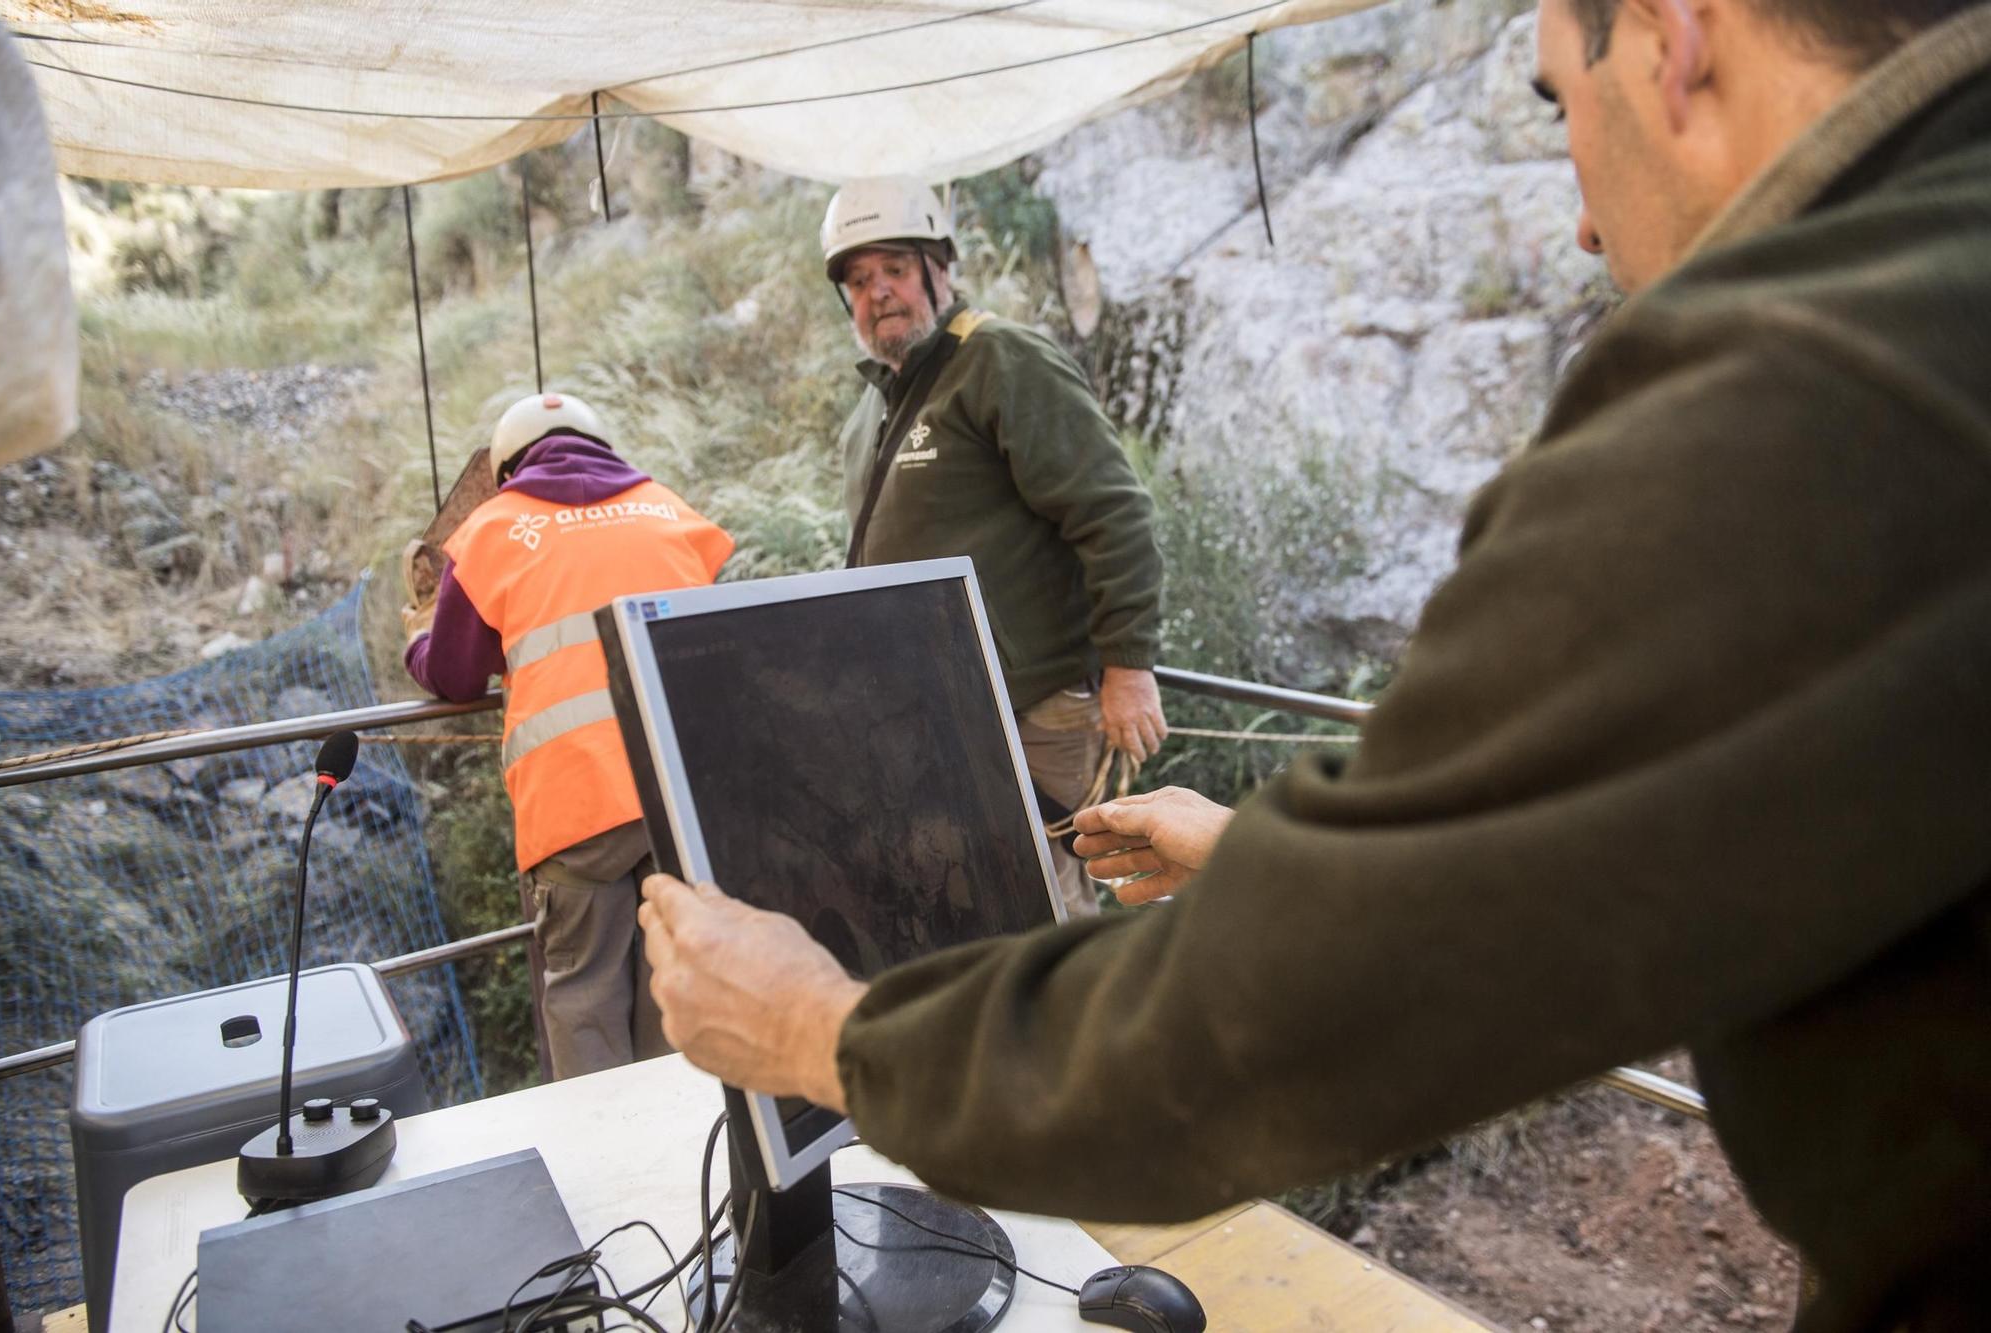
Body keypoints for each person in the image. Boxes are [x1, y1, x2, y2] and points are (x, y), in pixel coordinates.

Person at [637, 2, 1991, 1330]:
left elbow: (1278, 1026)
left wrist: (822, 1033)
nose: (1583, 222)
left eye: (1556, 107)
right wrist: (1252, 851)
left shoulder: (1807, 392)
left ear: (1673, 34)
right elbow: (1570, 882)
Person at [822, 176, 1168, 916]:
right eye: (857, 279)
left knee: (1044, 902)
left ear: (938, 270)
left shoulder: (1001, 361)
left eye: (893, 269)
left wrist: (1128, 665)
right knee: (966, 909)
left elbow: (1113, 511)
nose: (877, 291)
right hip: (926, 714)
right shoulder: (870, 413)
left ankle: (1086, 1030)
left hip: (1030, 710)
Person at [404, 392, 733, 1079]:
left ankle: (602, 1167)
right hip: (679, 790)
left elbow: (456, 673)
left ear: (507, 468)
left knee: (584, 997)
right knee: (672, 989)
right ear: (603, 448)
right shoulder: (669, 510)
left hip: (574, 807)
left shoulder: (493, 530)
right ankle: (678, 1163)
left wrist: (418, 641)